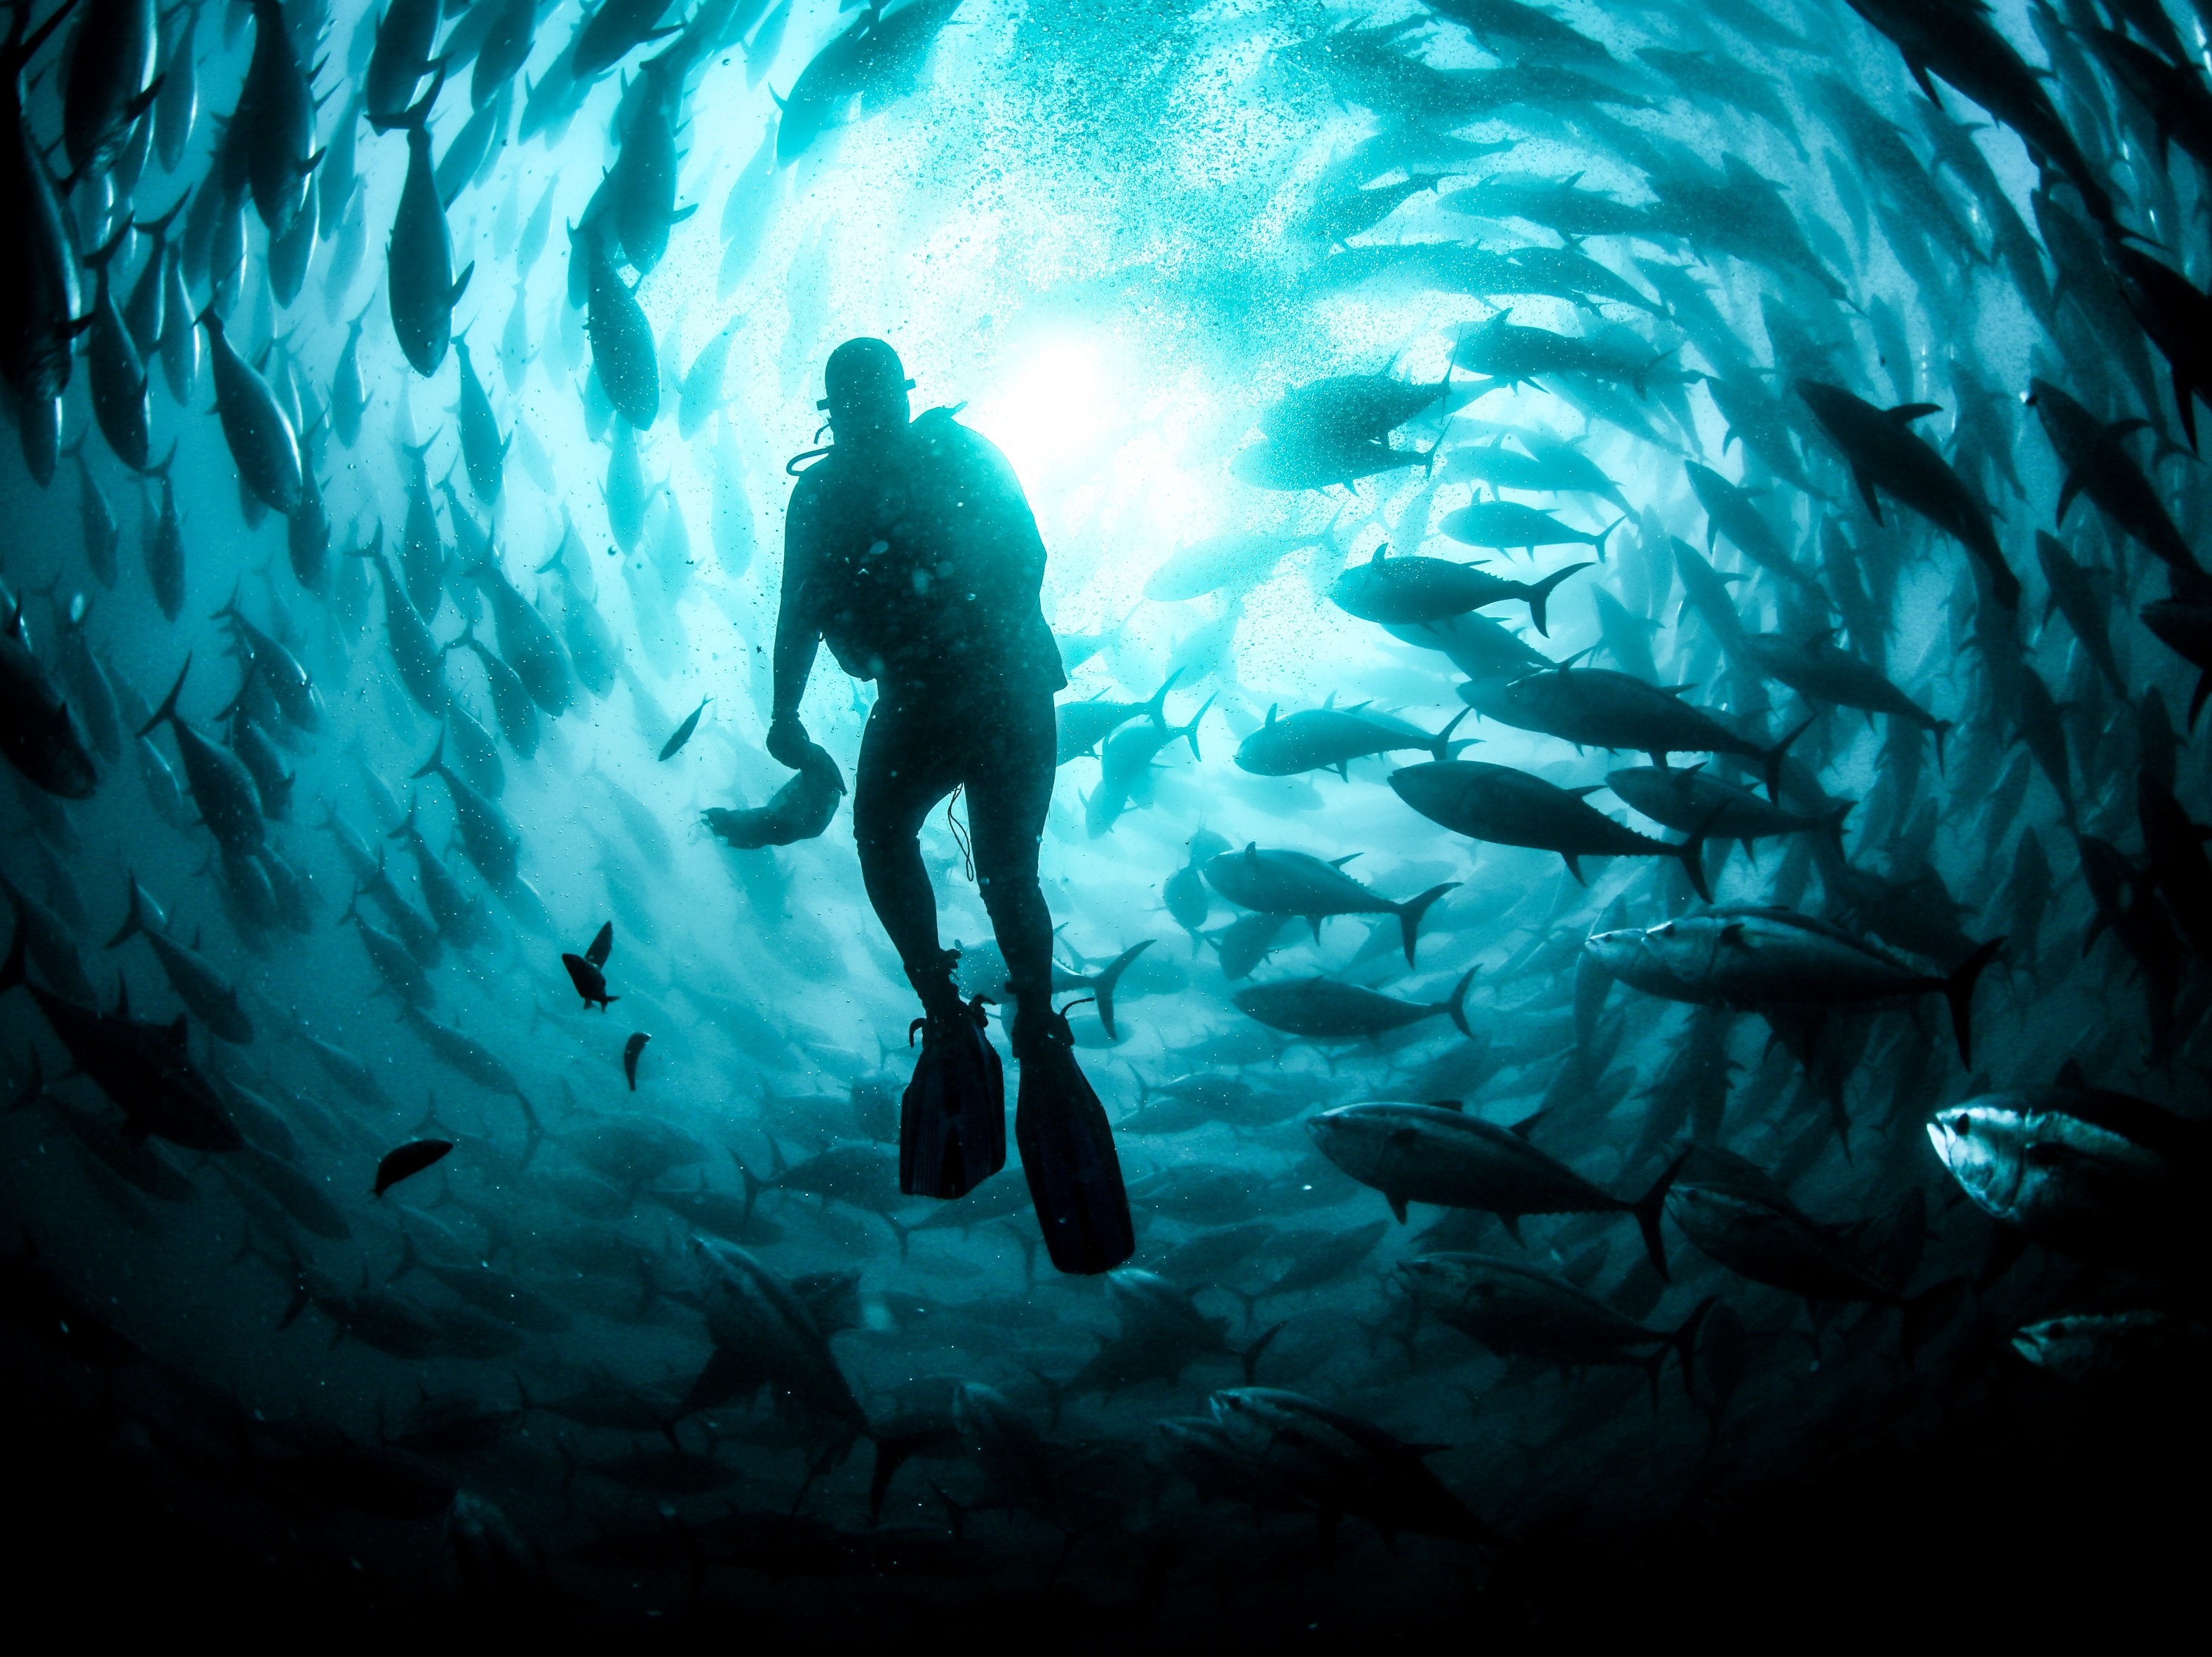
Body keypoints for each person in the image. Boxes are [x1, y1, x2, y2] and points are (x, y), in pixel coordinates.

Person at [768, 337, 1133, 1274]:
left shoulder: (950, 454)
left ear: (896, 393)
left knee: (1000, 862)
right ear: (834, 407)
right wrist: (782, 710)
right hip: (947, 692)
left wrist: (952, 630)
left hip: (995, 681)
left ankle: (1030, 1019)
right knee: (899, 834)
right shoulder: (822, 495)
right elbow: (797, 611)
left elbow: (1025, 552)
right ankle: (959, 1003)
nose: (864, 412)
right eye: (850, 400)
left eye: (873, 395)